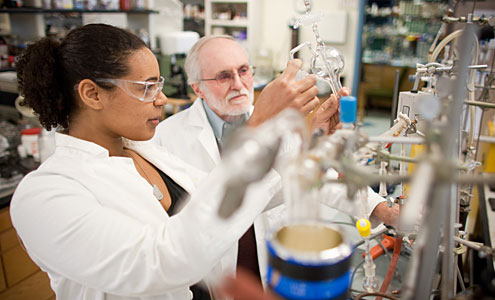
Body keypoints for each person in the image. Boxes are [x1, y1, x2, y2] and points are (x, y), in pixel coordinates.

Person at [11, 24, 321, 300]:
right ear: (92, 94)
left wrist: (315, 145)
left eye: (158, 85)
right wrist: (258, 128)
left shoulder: (147, 153)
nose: (161, 99)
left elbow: (230, 202)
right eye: (146, 88)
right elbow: (161, 261)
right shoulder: (45, 194)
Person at [151, 35, 400, 292]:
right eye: (224, 76)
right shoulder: (166, 138)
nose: (239, 84)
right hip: (210, 277)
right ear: (197, 87)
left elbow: (316, 180)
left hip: (270, 267)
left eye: (244, 71)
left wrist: (380, 207)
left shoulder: (283, 124)